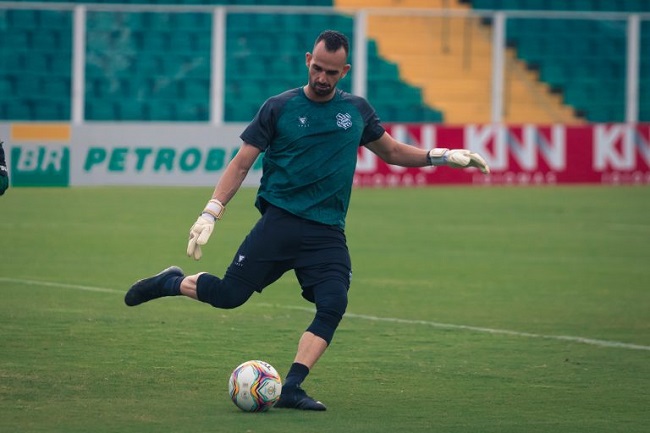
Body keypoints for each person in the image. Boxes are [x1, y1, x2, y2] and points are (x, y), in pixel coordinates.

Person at [125, 30, 489, 411]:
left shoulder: (357, 111)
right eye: (317, 68)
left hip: (327, 231)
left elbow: (393, 151)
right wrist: (211, 211)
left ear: (344, 71)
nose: (322, 78)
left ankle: (292, 387)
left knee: (333, 303)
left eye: (331, 72)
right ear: (307, 61)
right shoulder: (278, 107)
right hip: (280, 224)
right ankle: (170, 281)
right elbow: (241, 163)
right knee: (229, 296)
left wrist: (440, 156)